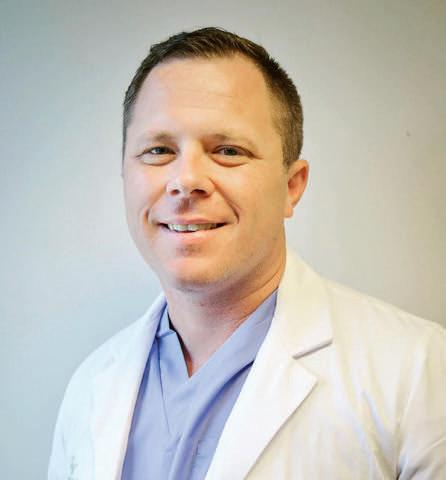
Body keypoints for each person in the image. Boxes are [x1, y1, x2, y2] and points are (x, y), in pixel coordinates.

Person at [48, 27, 446, 480]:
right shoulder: (90, 387)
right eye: (158, 150)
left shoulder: (419, 372)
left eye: (228, 150)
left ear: (291, 187)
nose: (186, 180)